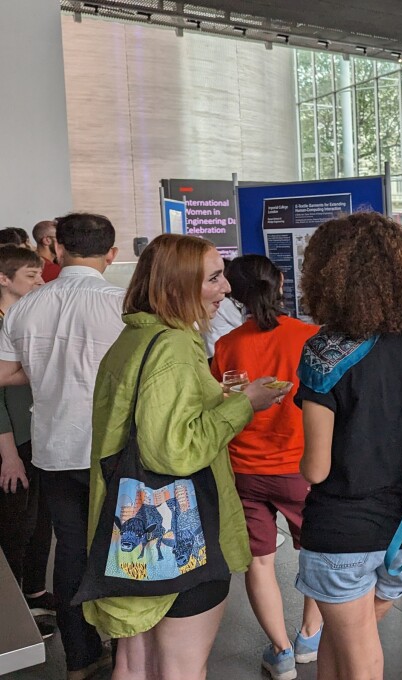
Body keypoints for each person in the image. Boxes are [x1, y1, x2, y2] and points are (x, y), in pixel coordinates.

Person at [85, 234, 286, 680]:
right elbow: (175, 451)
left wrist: (219, 397)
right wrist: (244, 404)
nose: (228, 288)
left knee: (133, 662)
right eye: (213, 278)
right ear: (178, 285)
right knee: (182, 667)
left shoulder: (135, 337)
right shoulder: (174, 348)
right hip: (181, 539)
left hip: (132, 537)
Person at [292, 212, 402, 680]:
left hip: (345, 532)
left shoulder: (324, 353)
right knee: (342, 643)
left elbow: (316, 470)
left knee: (360, 654)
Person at [0, 213, 125, 680]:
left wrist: (48, 367)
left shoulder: (26, 306)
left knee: (70, 550)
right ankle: (127, 649)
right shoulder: (121, 303)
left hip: (52, 448)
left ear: (57, 251)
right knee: (122, 546)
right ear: (110, 254)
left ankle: (80, 657)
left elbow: (4, 372)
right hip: (111, 449)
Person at [209, 255, 323, 680]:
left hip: (244, 472)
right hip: (301, 468)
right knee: (315, 551)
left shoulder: (225, 346)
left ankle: (281, 653)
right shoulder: (310, 337)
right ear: (279, 281)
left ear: (233, 293)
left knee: (259, 563)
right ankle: (310, 635)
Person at [0, 247, 56, 639]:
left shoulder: (22, 319)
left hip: (36, 434)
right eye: (30, 275)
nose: (40, 281)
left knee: (39, 523)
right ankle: (14, 613)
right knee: (15, 526)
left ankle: (33, 591)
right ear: (4, 279)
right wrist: (8, 455)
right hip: (13, 442)